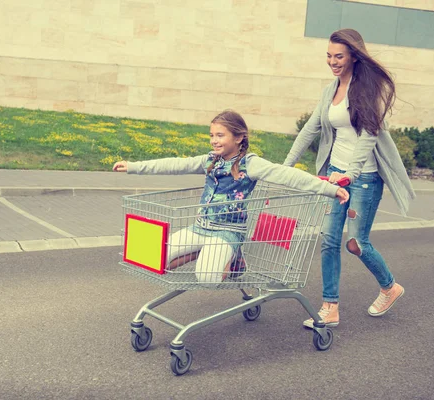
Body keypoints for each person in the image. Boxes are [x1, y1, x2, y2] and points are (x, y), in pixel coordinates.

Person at [113, 110, 349, 284]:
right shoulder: (210, 160)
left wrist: (329, 189)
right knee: (154, 258)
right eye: (212, 135)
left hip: (228, 231)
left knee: (207, 277)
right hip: (200, 228)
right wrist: (134, 166)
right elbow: (174, 164)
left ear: (238, 138)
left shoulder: (250, 164)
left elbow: (288, 176)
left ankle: (232, 258)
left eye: (220, 135)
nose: (214, 140)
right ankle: (204, 253)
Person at [282, 29, 416, 328]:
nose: (332, 61)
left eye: (338, 56)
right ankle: (330, 307)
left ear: (354, 56)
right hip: (335, 176)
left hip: (364, 178)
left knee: (356, 243)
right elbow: (310, 129)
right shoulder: (329, 90)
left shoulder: (369, 89)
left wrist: (351, 173)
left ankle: (389, 286)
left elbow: (369, 135)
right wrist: (286, 166)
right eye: (329, 56)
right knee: (329, 240)